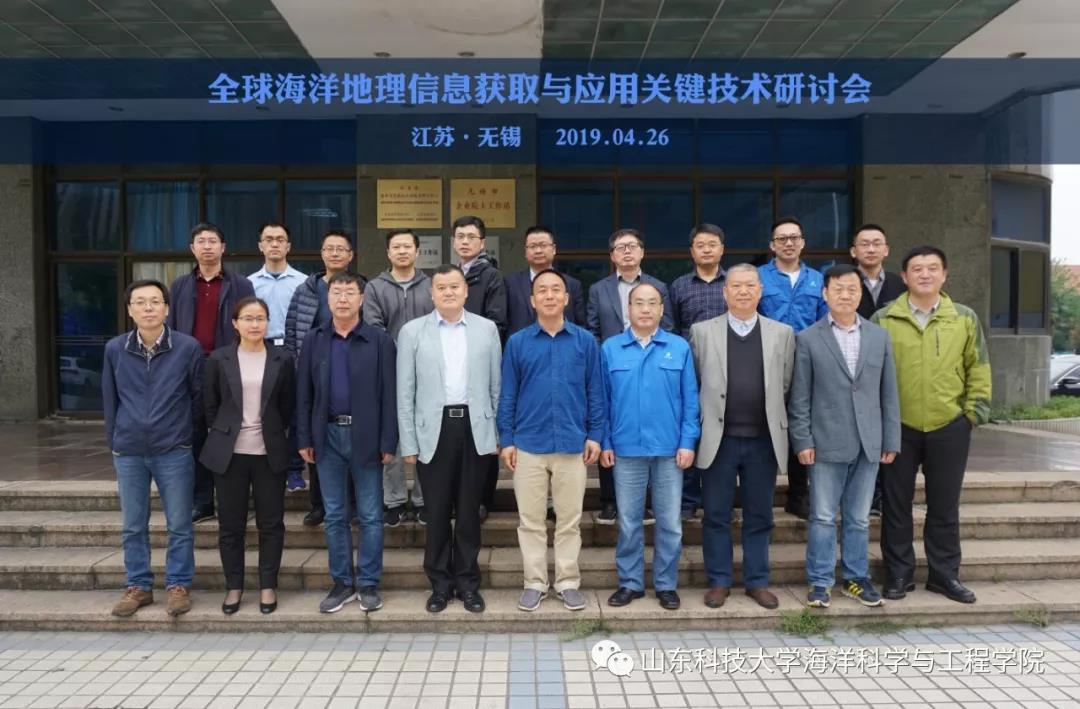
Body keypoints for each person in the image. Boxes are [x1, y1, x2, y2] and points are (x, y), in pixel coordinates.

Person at [872, 245, 991, 605]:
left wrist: (972, 415)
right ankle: (899, 574)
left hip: (949, 425)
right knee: (896, 506)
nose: (925, 274)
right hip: (898, 428)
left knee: (944, 505)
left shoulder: (964, 318)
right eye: (917, 269)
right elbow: (871, 374)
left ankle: (944, 575)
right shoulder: (883, 319)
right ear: (904, 277)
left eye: (932, 268)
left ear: (945, 274)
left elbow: (978, 368)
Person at [787, 264, 901, 609]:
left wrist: (891, 439)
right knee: (822, 517)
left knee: (859, 518)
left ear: (861, 293)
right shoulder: (808, 338)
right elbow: (800, 396)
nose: (846, 295)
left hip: (869, 442)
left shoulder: (879, 336)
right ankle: (820, 581)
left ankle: (855, 578)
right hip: (825, 442)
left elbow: (889, 392)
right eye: (838, 289)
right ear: (825, 294)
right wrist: (802, 440)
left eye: (852, 289)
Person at [499, 269, 605, 613]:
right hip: (528, 443)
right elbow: (508, 394)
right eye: (542, 290)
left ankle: (567, 582)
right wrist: (507, 439)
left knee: (569, 521)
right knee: (530, 521)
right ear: (532, 301)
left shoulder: (585, 341)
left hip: (573, 443)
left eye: (555, 290)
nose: (549, 295)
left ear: (566, 298)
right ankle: (534, 583)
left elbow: (596, 391)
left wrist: (595, 434)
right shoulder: (518, 343)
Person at [397, 265, 501, 614]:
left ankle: (468, 583)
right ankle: (440, 585)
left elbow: (496, 387)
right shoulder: (412, 332)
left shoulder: (486, 329)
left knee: (470, 512)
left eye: (455, 286)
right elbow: (405, 392)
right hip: (433, 430)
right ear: (432, 293)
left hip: (474, 428)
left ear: (466, 291)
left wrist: (496, 433)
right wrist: (409, 442)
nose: (449, 292)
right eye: (441, 287)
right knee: (437, 512)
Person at [690, 264, 794, 610]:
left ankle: (757, 581)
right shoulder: (702, 332)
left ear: (760, 291)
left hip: (763, 440)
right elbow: (695, 383)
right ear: (725, 292)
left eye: (750, 285)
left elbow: (785, 384)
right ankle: (719, 581)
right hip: (718, 439)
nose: (744, 291)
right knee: (716, 514)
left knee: (760, 514)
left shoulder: (782, 333)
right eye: (736, 286)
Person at [296, 272, 397, 614]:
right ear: (327, 299)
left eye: (349, 292)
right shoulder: (314, 340)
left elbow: (389, 394)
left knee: (370, 514)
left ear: (362, 299)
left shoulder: (379, 340)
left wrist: (388, 440)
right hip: (327, 437)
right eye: (336, 292)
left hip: (366, 435)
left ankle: (368, 583)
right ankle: (342, 582)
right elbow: (304, 393)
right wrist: (304, 437)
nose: (342, 299)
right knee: (335, 514)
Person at [102, 279, 203, 618]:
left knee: (179, 523)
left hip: (173, 448)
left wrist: (184, 435)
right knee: (133, 524)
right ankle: (138, 586)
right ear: (130, 310)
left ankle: (178, 584)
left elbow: (197, 398)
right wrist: (115, 440)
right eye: (140, 302)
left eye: (155, 301)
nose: (148, 308)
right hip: (129, 450)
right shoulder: (115, 349)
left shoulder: (187, 347)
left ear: (167, 308)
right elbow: (110, 400)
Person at [601, 283, 700, 611]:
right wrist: (605, 442)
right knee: (629, 522)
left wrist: (688, 442)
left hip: (669, 450)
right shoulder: (611, 349)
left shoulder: (678, 347)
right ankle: (630, 582)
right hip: (626, 448)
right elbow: (603, 401)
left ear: (661, 309)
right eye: (639, 303)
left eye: (652, 303)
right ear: (628, 309)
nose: (645, 309)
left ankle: (666, 584)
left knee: (669, 522)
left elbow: (690, 400)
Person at [201, 297, 295, 616]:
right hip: (230, 455)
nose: (255, 324)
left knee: (271, 523)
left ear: (268, 322)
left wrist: (274, 432)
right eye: (248, 318)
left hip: (269, 453)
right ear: (235, 323)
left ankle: (268, 585)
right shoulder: (219, 358)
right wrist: (225, 432)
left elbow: (287, 405)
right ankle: (234, 586)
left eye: (260, 318)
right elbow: (210, 405)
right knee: (231, 525)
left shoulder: (282, 358)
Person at [168, 223, 255, 523]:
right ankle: (202, 499)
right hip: (191, 367)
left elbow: (249, 323)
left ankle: (236, 499)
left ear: (223, 247)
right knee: (196, 433)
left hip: (229, 366)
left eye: (212, 241)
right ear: (192, 249)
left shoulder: (241, 285)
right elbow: (173, 327)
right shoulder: (180, 286)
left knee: (231, 431)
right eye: (201, 241)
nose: (207, 246)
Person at [587, 228, 673, 524]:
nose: (626, 251)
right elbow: (593, 329)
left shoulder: (658, 286)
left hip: (650, 365)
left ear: (642, 252)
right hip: (612, 365)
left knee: (645, 431)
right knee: (608, 426)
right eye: (620, 247)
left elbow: (668, 326)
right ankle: (609, 501)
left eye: (632, 246)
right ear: (612, 255)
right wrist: (602, 358)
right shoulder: (598, 289)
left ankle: (644, 503)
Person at [285, 230, 358, 527]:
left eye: (341, 249)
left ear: (351, 255)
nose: (335, 253)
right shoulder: (305, 289)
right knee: (318, 439)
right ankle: (319, 504)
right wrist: (298, 367)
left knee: (353, 442)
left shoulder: (360, 287)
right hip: (315, 373)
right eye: (329, 248)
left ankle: (353, 503)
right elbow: (292, 331)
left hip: (351, 373)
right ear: (322, 254)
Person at [756, 217, 827, 521]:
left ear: (803, 243)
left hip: (806, 363)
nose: (788, 243)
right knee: (766, 427)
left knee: (802, 426)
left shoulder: (817, 280)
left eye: (794, 238)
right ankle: (761, 494)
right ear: (772, 245)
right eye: (781, 239)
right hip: (766, 363)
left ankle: (798, 495)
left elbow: (825, 322)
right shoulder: (758, 277)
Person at [363, 229, 434, 527]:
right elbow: (373, 326)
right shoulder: (374, 287)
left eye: (407, 246)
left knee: (424, 432)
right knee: (391, 435)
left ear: (417, 251)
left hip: (427, 371)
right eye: (396, 247)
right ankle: (393, 500)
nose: (402, 251)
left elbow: (437, 323)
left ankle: (422, 499)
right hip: (388, 370)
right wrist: (401, 352)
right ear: (388, 252)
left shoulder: (431, 285)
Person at [668, 223, 728, 523]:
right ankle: (689, 500)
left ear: (722, 249)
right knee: (690, 433)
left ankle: (721, 501)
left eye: (712, 244)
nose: (706, 249)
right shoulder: (679, 286)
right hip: (689, 371)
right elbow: (671, 329)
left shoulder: (734, 283)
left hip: (729, 372)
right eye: (700, 245)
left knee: (724, 440)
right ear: (692, 251)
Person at [453, 214, 507, 521]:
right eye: (460, 236)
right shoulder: (450, 275)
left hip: (481, 364)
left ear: (482, 243)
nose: (465, 242)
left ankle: (483, 499)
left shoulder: (491, 276)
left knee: (484, 433)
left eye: (471, 237)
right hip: (452, 365)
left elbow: (497, 323)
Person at [849, 223, 906, 516]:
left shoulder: (900, 285)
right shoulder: (844, 282)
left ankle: (883, 496)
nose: (870, 249)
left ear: (886, 250)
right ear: (853, 251)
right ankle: (862, 497)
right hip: (851, 368)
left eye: (876, 243)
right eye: (864, 244)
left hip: (890, 365)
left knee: (885, 432)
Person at [247, 222, 307, 492]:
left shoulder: (302, 282)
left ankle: (294, 469)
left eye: (280, 239)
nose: (274, 244)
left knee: (294, 410)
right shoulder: (249, 283)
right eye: (268, 239)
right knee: (262, 409)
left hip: (293, 348)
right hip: (260, 348)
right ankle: (267, 466)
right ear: (260, 245)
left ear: (288, 246)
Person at [505, 225, 586, 335]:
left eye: (543, 245)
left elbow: (580, 325)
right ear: (525, 252)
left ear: (554, 249)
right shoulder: (510, 283)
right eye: (533, 246)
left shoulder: (572, 285)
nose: (538, 251)